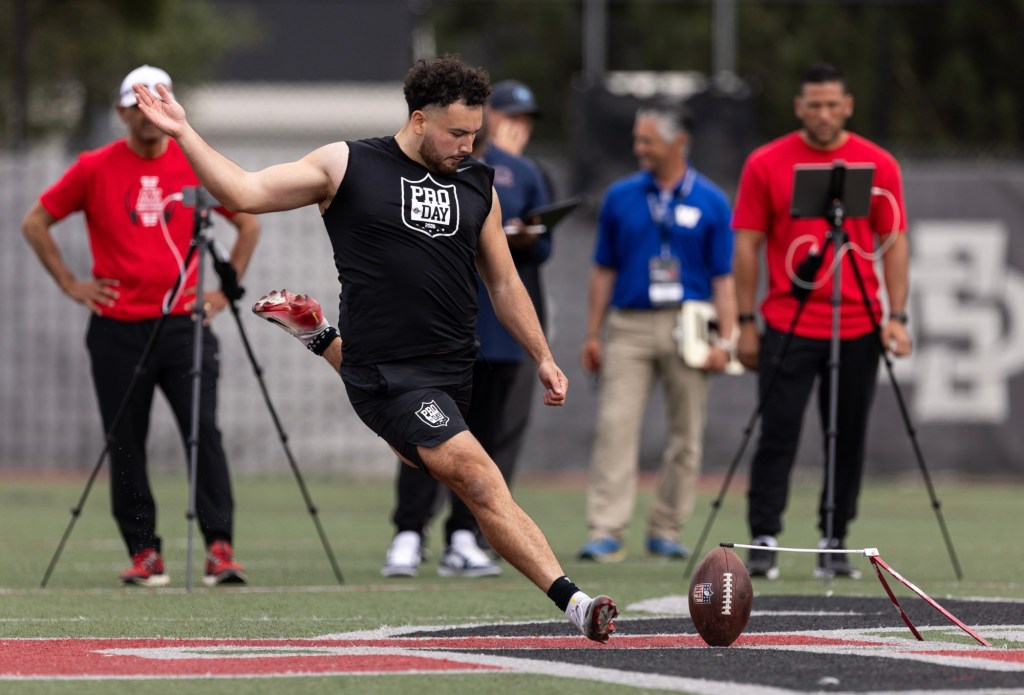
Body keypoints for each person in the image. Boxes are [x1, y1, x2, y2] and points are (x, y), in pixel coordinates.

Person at [133, 54, 617, 641]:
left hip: (451, 369)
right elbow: (244, 191)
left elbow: (505, 282)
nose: (468, 145)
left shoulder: (478, 184)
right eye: (456, 133)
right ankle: (576, 602)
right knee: (479, 478)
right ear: (419, 119)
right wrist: (184, 133)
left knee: (422, 459)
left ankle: (320, 336)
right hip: (389, 372)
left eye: (475, 133)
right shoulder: (347, 164)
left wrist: (543, 355)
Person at [22, 64, 260, 587]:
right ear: (122, 111)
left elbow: (247, 220)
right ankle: (144, 551)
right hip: (117, 328)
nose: (148, 114)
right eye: (138, 104)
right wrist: (70, 283)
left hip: (183, 327)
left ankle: (220, 548)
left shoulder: (195, 162)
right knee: (125, 439)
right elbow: (35, 222)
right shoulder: (93, 167)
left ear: (172, 106)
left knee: (203, 432)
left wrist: (225, 292)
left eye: (158, 102)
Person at [732, 63, 912, 580]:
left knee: (847, 433)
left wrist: (897, 316)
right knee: (778, 431)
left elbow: (894, 242)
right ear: (799, 107)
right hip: (788, 322)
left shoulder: (878, 163)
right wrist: (746, 320)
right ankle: (764, 537)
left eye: (833, 104)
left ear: (848, 106)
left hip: (858, 324)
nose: (824, 114)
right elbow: (746, 244)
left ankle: (835, 538)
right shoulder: (766, 162)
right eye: (814, 104)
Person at [381, 101, 553, 578]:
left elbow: (537, 251)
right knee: (422, 435)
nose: (466, 140)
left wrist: (523, 238)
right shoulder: (416, 172)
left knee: (485, 436)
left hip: (495, 333)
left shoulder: (512, 174)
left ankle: (463, 535)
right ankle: (409, 531)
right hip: (436, 330)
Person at [578, 99, 736, 562]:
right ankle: (606, 528)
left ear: (678, 141)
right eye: (638, 139)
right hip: (629, 323)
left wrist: (726, 341)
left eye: (647, 140)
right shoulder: (620, 196)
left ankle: (666, 528)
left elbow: (724, 278)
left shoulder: (711, 200)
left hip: (691, 324)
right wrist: (593, 333)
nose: (639, 148)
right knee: (615, 426)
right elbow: (603, 269)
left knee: (686, 432)